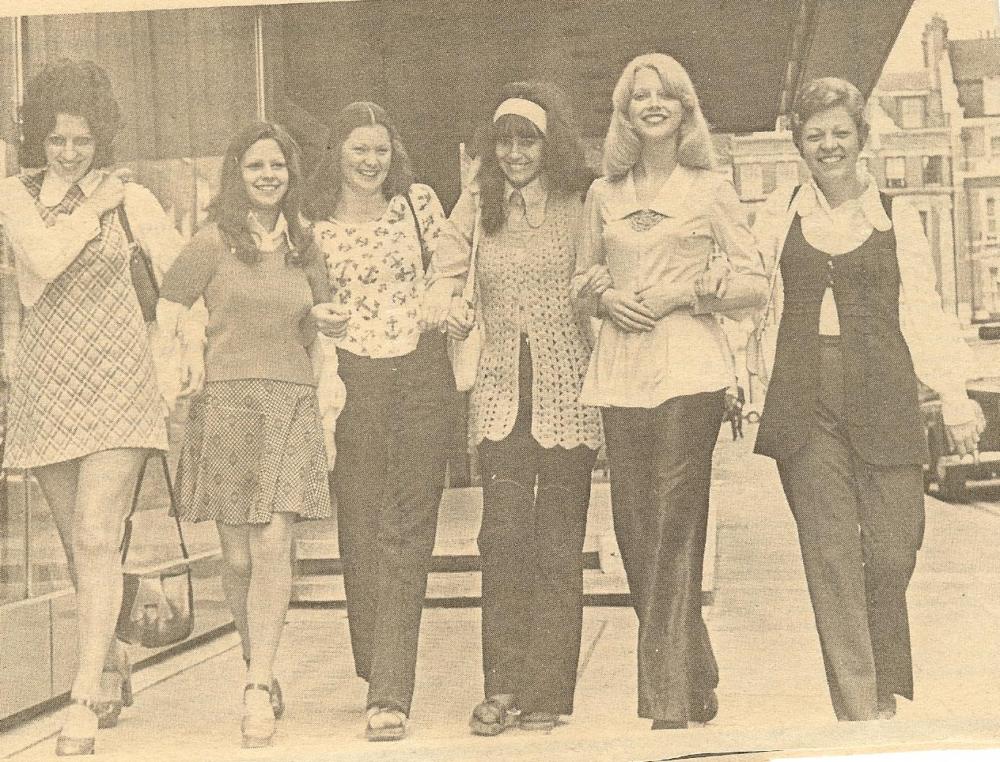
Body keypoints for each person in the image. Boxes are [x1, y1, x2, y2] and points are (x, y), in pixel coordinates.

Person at [751, 77, 984, 722]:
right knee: (829, 552)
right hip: (804, 399)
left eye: (840, 135)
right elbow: (756, 307)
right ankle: (859, 707)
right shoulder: (779, 215)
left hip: (884, 392)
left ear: (862, 140)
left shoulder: (895, 215)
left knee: (894, 545)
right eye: (814, 136)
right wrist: (744, 382)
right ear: (800, 144)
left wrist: (956, 394)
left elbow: (924, 311)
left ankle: (884, 680)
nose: (828, 147)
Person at [572, 53, 768, 729]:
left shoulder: (710, 187)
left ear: (686, 110)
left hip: (690, 370)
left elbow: (753, 285)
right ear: (624, 114)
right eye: (639, 97)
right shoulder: (604, 194)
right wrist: (605, 298)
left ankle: (667, 701)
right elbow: (582, 280)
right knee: (634, 528)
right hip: (622, 373)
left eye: (666, 95)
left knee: (676, 522)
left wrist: (687, 292)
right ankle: (697, 665)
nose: (652, 105)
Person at [0, 60, 184, 756]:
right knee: (83, 548)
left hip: (119, 385)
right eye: (56, 141)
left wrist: (182, 346)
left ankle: (80, 700)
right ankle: (109, 656)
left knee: (99, 535)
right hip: (48, 386)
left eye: (81, 141)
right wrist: (91, 209)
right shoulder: (14, 196)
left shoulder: (132, 198)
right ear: (37, 140)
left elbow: (178, 275)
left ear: (99, 136)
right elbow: (42, 264)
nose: (70, 154)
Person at [159, 121, 333, 748]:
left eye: (278, 166)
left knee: (274, 544)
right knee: (236, 557)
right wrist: (180, 363)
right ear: (237, 175)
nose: (268, 176)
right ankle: (254, 656)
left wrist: (322, 319)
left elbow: (322, 316)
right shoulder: (211, 242)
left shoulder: (304, 244)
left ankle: (258, 686)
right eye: (256, 166)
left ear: (292, 175)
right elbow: (170, 307)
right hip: (227, 405)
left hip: (289, 402)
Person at [304, 101, 466, 742]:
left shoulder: (419, 204)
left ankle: (390, 689)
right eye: (358, 151)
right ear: (337, 156)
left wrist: (442, 298)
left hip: (422, 373)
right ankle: (376, 663)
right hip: (354, 382)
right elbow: (302, 297)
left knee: (408, 531)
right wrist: (317, 316)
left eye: (380, 150)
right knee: (361, 531)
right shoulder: (311, 224)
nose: (371, 163)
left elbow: (455, 269)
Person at [446, 82, 602, 735]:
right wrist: (448, 303)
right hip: (501, 396)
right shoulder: (478, 207)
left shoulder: (579, 203)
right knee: (503, 535)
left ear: (550, 142)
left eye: (527, 139)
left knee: (558, 545)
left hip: (568, 391)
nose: (514, 153)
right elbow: (444, 269)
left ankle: (547, 693)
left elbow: (600, 279)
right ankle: (503, 685)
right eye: (504, 140)